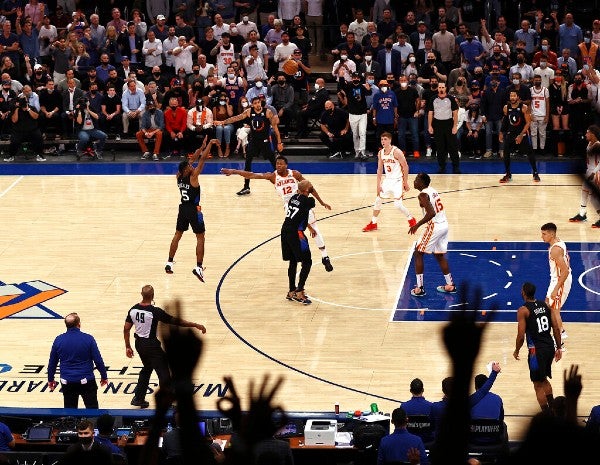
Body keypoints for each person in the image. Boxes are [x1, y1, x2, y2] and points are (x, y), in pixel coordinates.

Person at [221, 155, 334, 272]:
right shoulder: (272, 176)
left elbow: (310, 188)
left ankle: (325, 257)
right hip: (289, 207)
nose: (278, 166)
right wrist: (234, 171)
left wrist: (322, 202)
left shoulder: (295, 174)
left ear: (286, 165)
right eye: (277, 164)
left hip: (302, 202)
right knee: (296, 234)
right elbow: (252, 175)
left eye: (281, 164)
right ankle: (302, 258)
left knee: (315, 230)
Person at [123, 284, 207, 408]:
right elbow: (176, 321)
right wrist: (195, 325)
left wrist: (128, 346)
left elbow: (126, 329)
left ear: (141, 294)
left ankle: (138, 398)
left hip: (139, 344)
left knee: (147, 368)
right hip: (151, 345)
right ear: (152, 295)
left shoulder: (133, 309)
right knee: (164, 373)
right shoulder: (154, 312)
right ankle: (167, 401)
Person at [165, 140, 219, 281]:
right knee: (200, 237)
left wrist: (200, 147)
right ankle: (199, 267)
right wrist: (209, 145)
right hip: (194, 209)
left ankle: (169, 262)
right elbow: (201, 160)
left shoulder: (178, 176)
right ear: (186, 170)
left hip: (182, 208)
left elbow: (192, 159)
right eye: (189, 166)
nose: (191, 166)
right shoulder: (193, 177)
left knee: (178, 234)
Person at [215, 96, 283, 196]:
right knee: (247, 162)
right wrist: (223, 122)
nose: (257, 104)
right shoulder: (249, 111)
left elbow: (275, 128)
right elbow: (236, 118)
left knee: (273, 161)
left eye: (258, 102)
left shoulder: (268, 112)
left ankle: (283, 182)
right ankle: (246, 187)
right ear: (252, 105)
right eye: (255, 103)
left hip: (265, 141)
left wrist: (279, 142)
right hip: (254, 141)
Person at [513, 282, 562, 411]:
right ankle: (553, 410)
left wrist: (516, 350)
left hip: (536, 351)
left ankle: (547, 415)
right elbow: (556, 328)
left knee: (537, 384)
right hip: (549, 347)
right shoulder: (546, 305)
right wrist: (559, 348)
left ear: (523, 293)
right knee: (543, 379)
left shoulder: (523, 310)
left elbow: (521, 336)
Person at [47, 313, 108, 409]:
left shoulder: (58, 340)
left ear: (66, 325)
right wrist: (104, 376)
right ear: (79, 324)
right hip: (86, 381)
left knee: (70, 413)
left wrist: (50, 379)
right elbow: (98, 360)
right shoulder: (88, 339)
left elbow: (52, 363)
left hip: (67, 382)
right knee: (93, 411)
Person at [408, 172, 455, 296]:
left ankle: (420, 288)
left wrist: (417, 225)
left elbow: (431, 213)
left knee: (418, 253)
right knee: (439, 255)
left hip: (435, 226)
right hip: (444, 225)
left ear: (422, 183)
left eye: (416, 179)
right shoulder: (432, 190)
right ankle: (450, 285)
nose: (414, 181)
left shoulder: (423, 195)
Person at [363, 132, 416, 232]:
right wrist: (378, 185)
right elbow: (379, 170)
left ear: (390, 140)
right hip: (387, 180)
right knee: (378, 201)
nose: (383, 141)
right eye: (382, 139)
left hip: (398, 180)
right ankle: (373, 223)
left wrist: (405, 182)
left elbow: (405, 166)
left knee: (397, 205)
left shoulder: (397, 152)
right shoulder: (380, 153)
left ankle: (411, 219)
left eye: (385, 139)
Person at [281, 179, 316, 305]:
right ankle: (299, 292)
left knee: (293, 261)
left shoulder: (293, 198)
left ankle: (291, 291)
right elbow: (311, 201)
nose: (312, 186)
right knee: (307, 262)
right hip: (297, 234)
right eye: (310, 185)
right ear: (306, 189)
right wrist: (310, 190)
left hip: (285, 230)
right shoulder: (308, 201)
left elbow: (299, 215)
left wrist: (309, 227)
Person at [498, 90, 540, 183]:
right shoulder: (506, 108)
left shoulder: (524, 107)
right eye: (511, 96)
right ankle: (508, 174)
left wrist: (521, 135)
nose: (512, 98)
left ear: (518, 97)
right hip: (510, 133)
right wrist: (501, 132)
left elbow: (528, 122)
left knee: (530, 153)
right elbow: (505, 121)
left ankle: (535, 173)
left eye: (514, 96)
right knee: (506, 153)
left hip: (522, 133)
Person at [540, 222, 572, 341]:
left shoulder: (555, 250)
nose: (542, 236)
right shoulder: (557, 241)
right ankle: (558, 332)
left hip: (560, 280)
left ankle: (560, 337)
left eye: (544, 234)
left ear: (552, 234)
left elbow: (565, 271)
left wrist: (556, 288)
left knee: (554, 310)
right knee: (547, 305)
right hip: (556, 278)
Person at [569, 125, 600, 227]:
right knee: (584, 192)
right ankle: (582, 214)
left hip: (596, 173)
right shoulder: (589, 143)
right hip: (589, 171)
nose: (586, 134)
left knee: (593, 198)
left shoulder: (598, 145)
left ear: (593, 134)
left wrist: (594, 172)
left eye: (587, 133)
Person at [427, 82, 461, 173]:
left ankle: (456, 166)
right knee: (440, 147)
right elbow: (430, 113)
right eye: (440, 87)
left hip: (449, 123)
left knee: (452, 146)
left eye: (443, 87)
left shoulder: (451, 99)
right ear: (437, 88)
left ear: (446, 88)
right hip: (437, 124)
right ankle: (442, 166)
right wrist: (430, 125)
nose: (441, 89)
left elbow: (455, 113)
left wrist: (455, 126)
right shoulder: (433, 99)